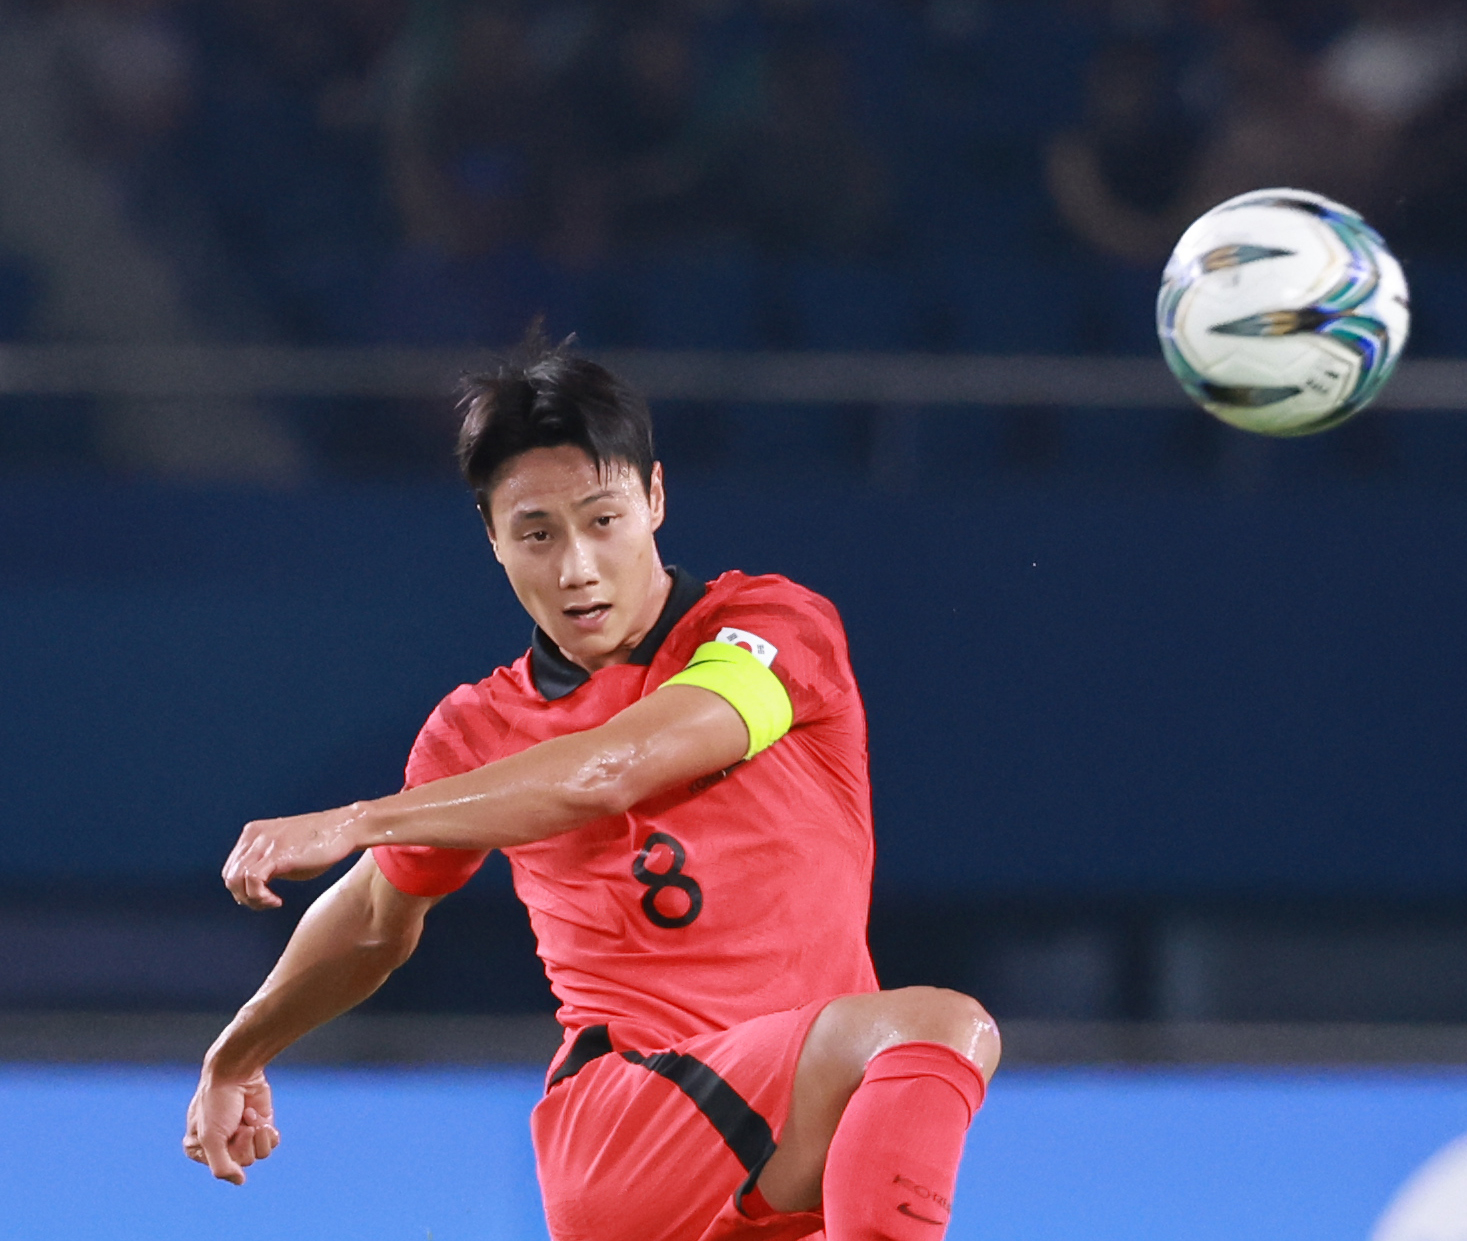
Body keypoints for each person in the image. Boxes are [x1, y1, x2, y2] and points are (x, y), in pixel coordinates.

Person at [182, 335, 1000, 1241]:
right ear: (492, 540)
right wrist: (236, 1053)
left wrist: (358, 818)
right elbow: (376, 916)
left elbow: (616, 766)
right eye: (536, 532)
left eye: (601, 519)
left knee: (891, 1079)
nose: (575, 566)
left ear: (653, 498)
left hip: (784, 1143)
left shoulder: (767, 626)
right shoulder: (479, 728)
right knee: (935, 1029)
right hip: (626, 1123)